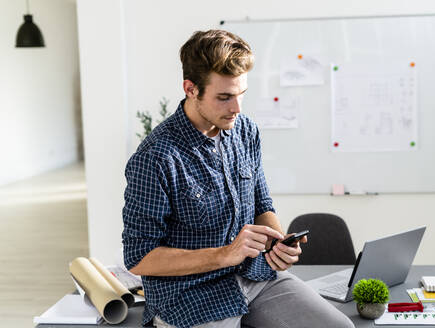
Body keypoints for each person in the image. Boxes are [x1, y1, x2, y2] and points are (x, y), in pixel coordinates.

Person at [122, 29, 354, 328]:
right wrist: (224, 255)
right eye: (224, 97)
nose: (237, 108)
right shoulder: (155, 157)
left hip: (256, 277)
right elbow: (140, 257)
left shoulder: (245, 131)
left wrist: (278, 243)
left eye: (241, 95)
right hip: (190, 296)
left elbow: (262, 203)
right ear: (190, 89)